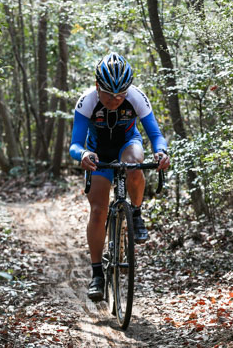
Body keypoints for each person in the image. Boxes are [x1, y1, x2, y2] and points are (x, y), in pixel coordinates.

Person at [69, 52, 171, 302]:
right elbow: (74, 144)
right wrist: (82, 154)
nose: (115, 100)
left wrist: (162, 152)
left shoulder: (136, 97)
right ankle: (97, 274)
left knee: (135, 163)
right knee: (98, 211)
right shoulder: (87, 102)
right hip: (98, 152)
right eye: (109, 94)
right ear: (97, 87)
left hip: (127, 144)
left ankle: (135, 213)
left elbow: (156, 135)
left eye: (120, 94)